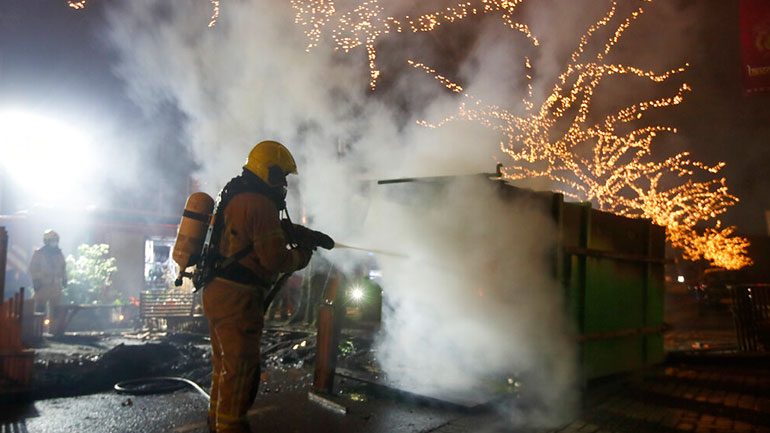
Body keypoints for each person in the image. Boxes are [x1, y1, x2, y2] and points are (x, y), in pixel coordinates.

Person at [202, 140, 313, 433]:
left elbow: (250, 236)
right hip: (237, 298)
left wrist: (299, 232)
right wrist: (303, 255)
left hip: (216, 291)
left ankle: (215, 422)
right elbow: (274, 258)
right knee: (239, 371)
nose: (284, 183)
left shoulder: (236, 194)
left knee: (223, 367)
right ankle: (230, 427)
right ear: (269, 171)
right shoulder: (260, 203)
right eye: (282, 176)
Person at [28, 229, 67, 321]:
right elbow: (33, 268)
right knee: (40, 309)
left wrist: (65, 279)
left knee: (55, 311)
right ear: (46, 241)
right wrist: (36, 280)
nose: (55, 243)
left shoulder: (59, 254)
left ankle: (54, 331)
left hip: (56, 286)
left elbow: (63, 268)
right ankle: (38, 331)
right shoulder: (39, 254)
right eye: (53, 240)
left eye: (56, 240)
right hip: (43, 286)